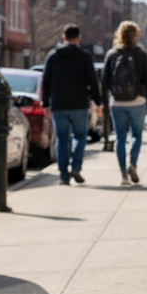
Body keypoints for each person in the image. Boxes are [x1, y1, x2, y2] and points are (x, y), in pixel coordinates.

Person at [41, 23, 102, 186]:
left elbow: (45, 81)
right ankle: (76, 167)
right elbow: (92, 81)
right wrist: (98, 101)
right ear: (78, 38)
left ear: (64, 37)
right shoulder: (84, 56)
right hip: (79, 104)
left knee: (61, 140)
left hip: (59, 104)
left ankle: (63, 175)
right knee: (80, 137)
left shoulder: (53, 56)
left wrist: (46, 103)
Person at [101, 21, 147, 186]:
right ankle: (133, 164)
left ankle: (124, 175)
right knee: (137, 136)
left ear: (119, 34)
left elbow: (104, 82)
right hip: (137, 102)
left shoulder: (112, 54)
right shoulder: (141, 55)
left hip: (117, 103)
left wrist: (104, 102)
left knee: (119, 137)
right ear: (136, 35)